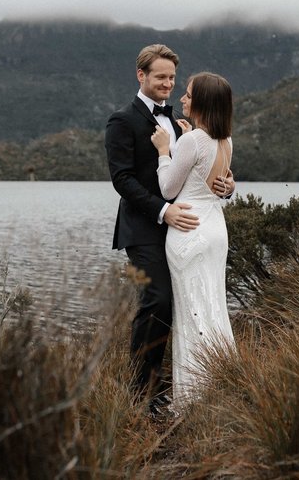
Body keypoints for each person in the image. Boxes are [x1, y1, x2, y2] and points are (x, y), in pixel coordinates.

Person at [104, 45, 235, 415]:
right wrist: (164, 211)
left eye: (172, 78)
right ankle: (142, 393)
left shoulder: (184, 125)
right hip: (144, 228)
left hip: (184, 231)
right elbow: (122, 179)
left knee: (187, 304)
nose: (167, 84)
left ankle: (187, 384)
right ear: (141, 75)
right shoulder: (121, 121)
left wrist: (227, 185)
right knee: (158, 301)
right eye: (160, 76)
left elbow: (197, 169)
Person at [149, 71, 236, 409]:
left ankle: (193, 397)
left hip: (189, 230)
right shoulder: (225, 140)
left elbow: (168, 189)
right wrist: (231, 187)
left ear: (201, 101)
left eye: (187, 94)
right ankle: (222, 382)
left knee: (191, 313)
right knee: (213, 307)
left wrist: (163, 151)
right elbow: (220, 181)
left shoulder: (189, 141)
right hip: (215, 230)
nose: (182, 99)